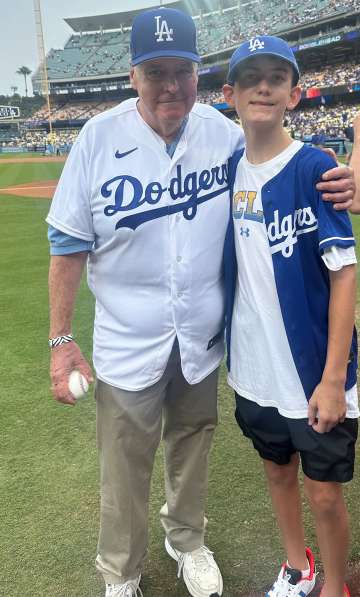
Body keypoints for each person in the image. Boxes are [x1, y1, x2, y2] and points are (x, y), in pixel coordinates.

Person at [47, 9, 355, 597]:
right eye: (155, 71)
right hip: (128, 339)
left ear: (200, 77)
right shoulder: (97, 137)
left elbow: (285, 156)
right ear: (133, 76)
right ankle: (121, 572)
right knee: (123, 465)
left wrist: (348, 184)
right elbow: (66, 245)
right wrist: (62, 341)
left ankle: (186, 539)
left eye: (181, 72)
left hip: (200, 339)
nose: (169, 86)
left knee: (192, 448)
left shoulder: (224, 133)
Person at [223, 36, 357, 597]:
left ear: (294, 95)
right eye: (251, 77)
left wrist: (331, 380)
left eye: (276, 78)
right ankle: (296, 566)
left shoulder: (313, 168)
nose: (263, 86)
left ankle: (333, 584)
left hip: (312, 371)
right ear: (229, 95)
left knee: (324, 491)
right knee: (276, 471)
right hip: (253, 368)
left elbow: (344, 273)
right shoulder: (228, 168)